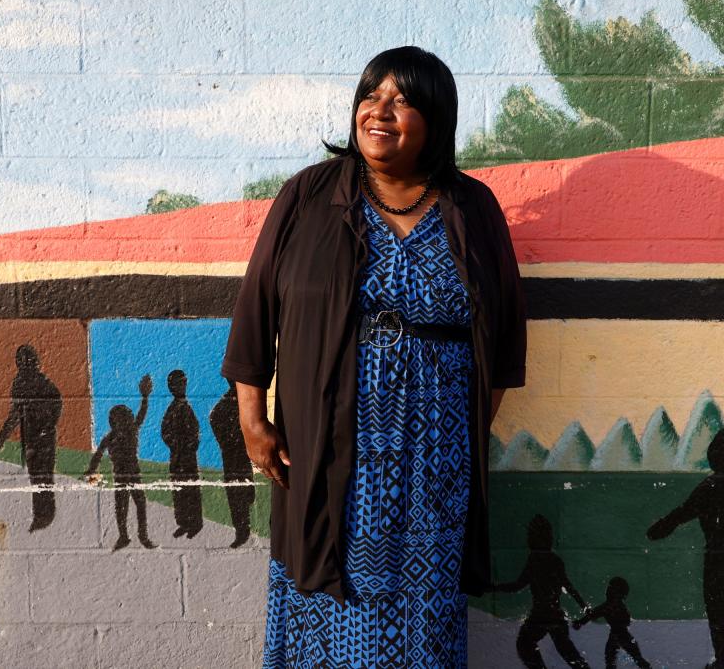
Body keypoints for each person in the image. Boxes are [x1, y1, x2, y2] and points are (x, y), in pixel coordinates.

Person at [221, 46, 527, 666]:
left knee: (424, 606)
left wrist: (460, 434)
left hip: (435, 458)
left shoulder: (472, 208)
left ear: (436, 119)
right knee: (329, 588)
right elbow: (257, 312)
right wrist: (253, 419)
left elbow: (503, 343)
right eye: (371, 96)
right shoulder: (308, 198)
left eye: (403, 100)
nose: (380, 112)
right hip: (327, 444)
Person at [647, 428, 724, 669]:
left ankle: (722, 660)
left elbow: (683, 512)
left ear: (713, 458)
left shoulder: (708, 487)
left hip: (717, 557)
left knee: (718, 612)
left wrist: (660, 529)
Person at [493, 514, 591, 669]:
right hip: (554, 616)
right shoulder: (554, 559)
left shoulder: (535, 559)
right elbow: (569, 586)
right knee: (568, 653)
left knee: (525, 644)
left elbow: (518, 586)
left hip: (540, 615)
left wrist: (494, 587)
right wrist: (584, 607)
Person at [0, 345, 62, 532]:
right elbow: (15, 415)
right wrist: (1, 437)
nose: (25, 365)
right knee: (39, 478)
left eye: (26, 361)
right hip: (35, 439)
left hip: (40, 439)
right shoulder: (26, 383)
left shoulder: (37, 384)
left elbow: (55, 405)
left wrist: (46, 426)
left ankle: (44, 517)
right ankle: (42, 516)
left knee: (42, 478)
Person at [85, 374, 157, 551]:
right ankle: (130, 536)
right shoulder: (122, 434)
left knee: (133, 504)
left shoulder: (118, 435)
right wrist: (91, 469)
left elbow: (98, 456)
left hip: (128, 473)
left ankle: (136, 535)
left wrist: (145, 397)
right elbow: (97, 456)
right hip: (126, 473)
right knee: (127, 505)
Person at [208, 379, 256, 548]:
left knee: (243, 493)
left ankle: (243, 530)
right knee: (238, 495)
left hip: (238, 458)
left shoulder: (242, 401)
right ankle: (242, 531)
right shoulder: (233, 402)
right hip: (234, 458)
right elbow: (214, 418)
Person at [572, 576, 652, 669]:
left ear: (614, 591)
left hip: (617, 635)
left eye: (610, 588)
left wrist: (580, 622)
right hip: (622, 635)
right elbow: (626, 621)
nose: (607, 590)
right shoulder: (619, 605)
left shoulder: (609, 606)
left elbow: (594, 614)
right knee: (634, 658)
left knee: (611, 660)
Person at [160, 369, 203, 539]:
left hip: (187, 458)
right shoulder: (173, 409)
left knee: (191, 490)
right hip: (177, 457)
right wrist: (176, 446)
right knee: (179, 490)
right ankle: (184, 523)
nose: (179, 387)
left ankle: (194, 524)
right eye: (175, 384)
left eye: (181, 383)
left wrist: (190, 445)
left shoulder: (186, 408)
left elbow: (195, 432)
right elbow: (165, 432)